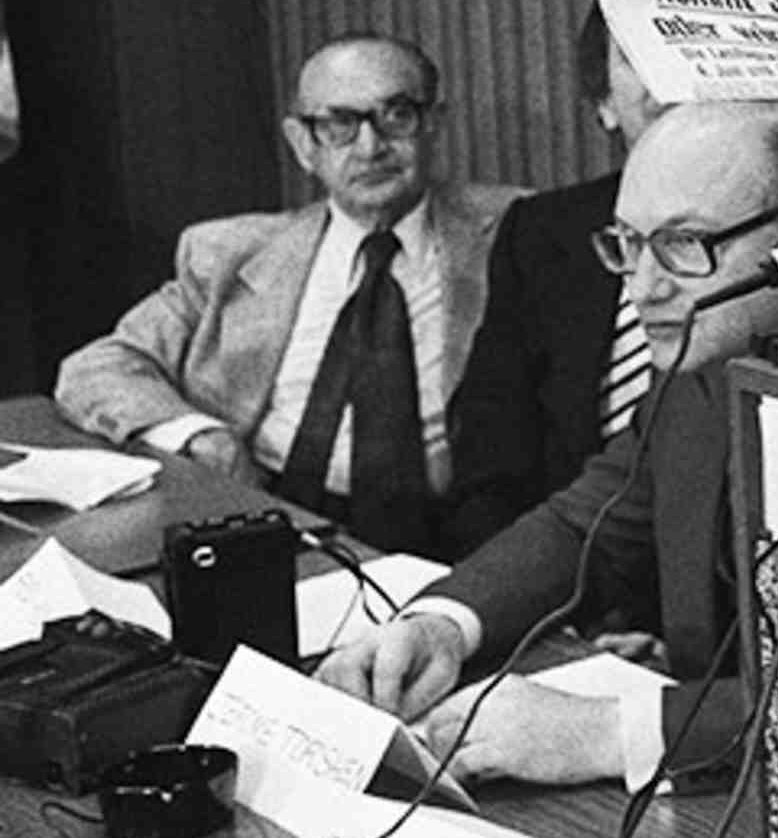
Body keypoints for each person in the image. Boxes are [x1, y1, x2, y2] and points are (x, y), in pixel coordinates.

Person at [317, 98, 778, 789]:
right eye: (628, 245)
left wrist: (612, 733)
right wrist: (443, 624)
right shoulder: (716, 346)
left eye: (684, 244)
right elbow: (588, 523)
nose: (644, 289)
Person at [53, 33, 521, 556]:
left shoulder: (518, 233)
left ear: (433, 122)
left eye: (396, 115)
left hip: (461, 535)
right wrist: (199, 434)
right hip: (271, 521)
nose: (370, 147)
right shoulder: (228, 254)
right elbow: (97, 367)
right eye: (339, 124)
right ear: (303, 145)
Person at [441, 4, 668, 556]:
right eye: (644, 52)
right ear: (604, 103)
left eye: (692, 49)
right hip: (560, 569)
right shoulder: (541, 231)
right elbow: (490, 449)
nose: (673, 74)